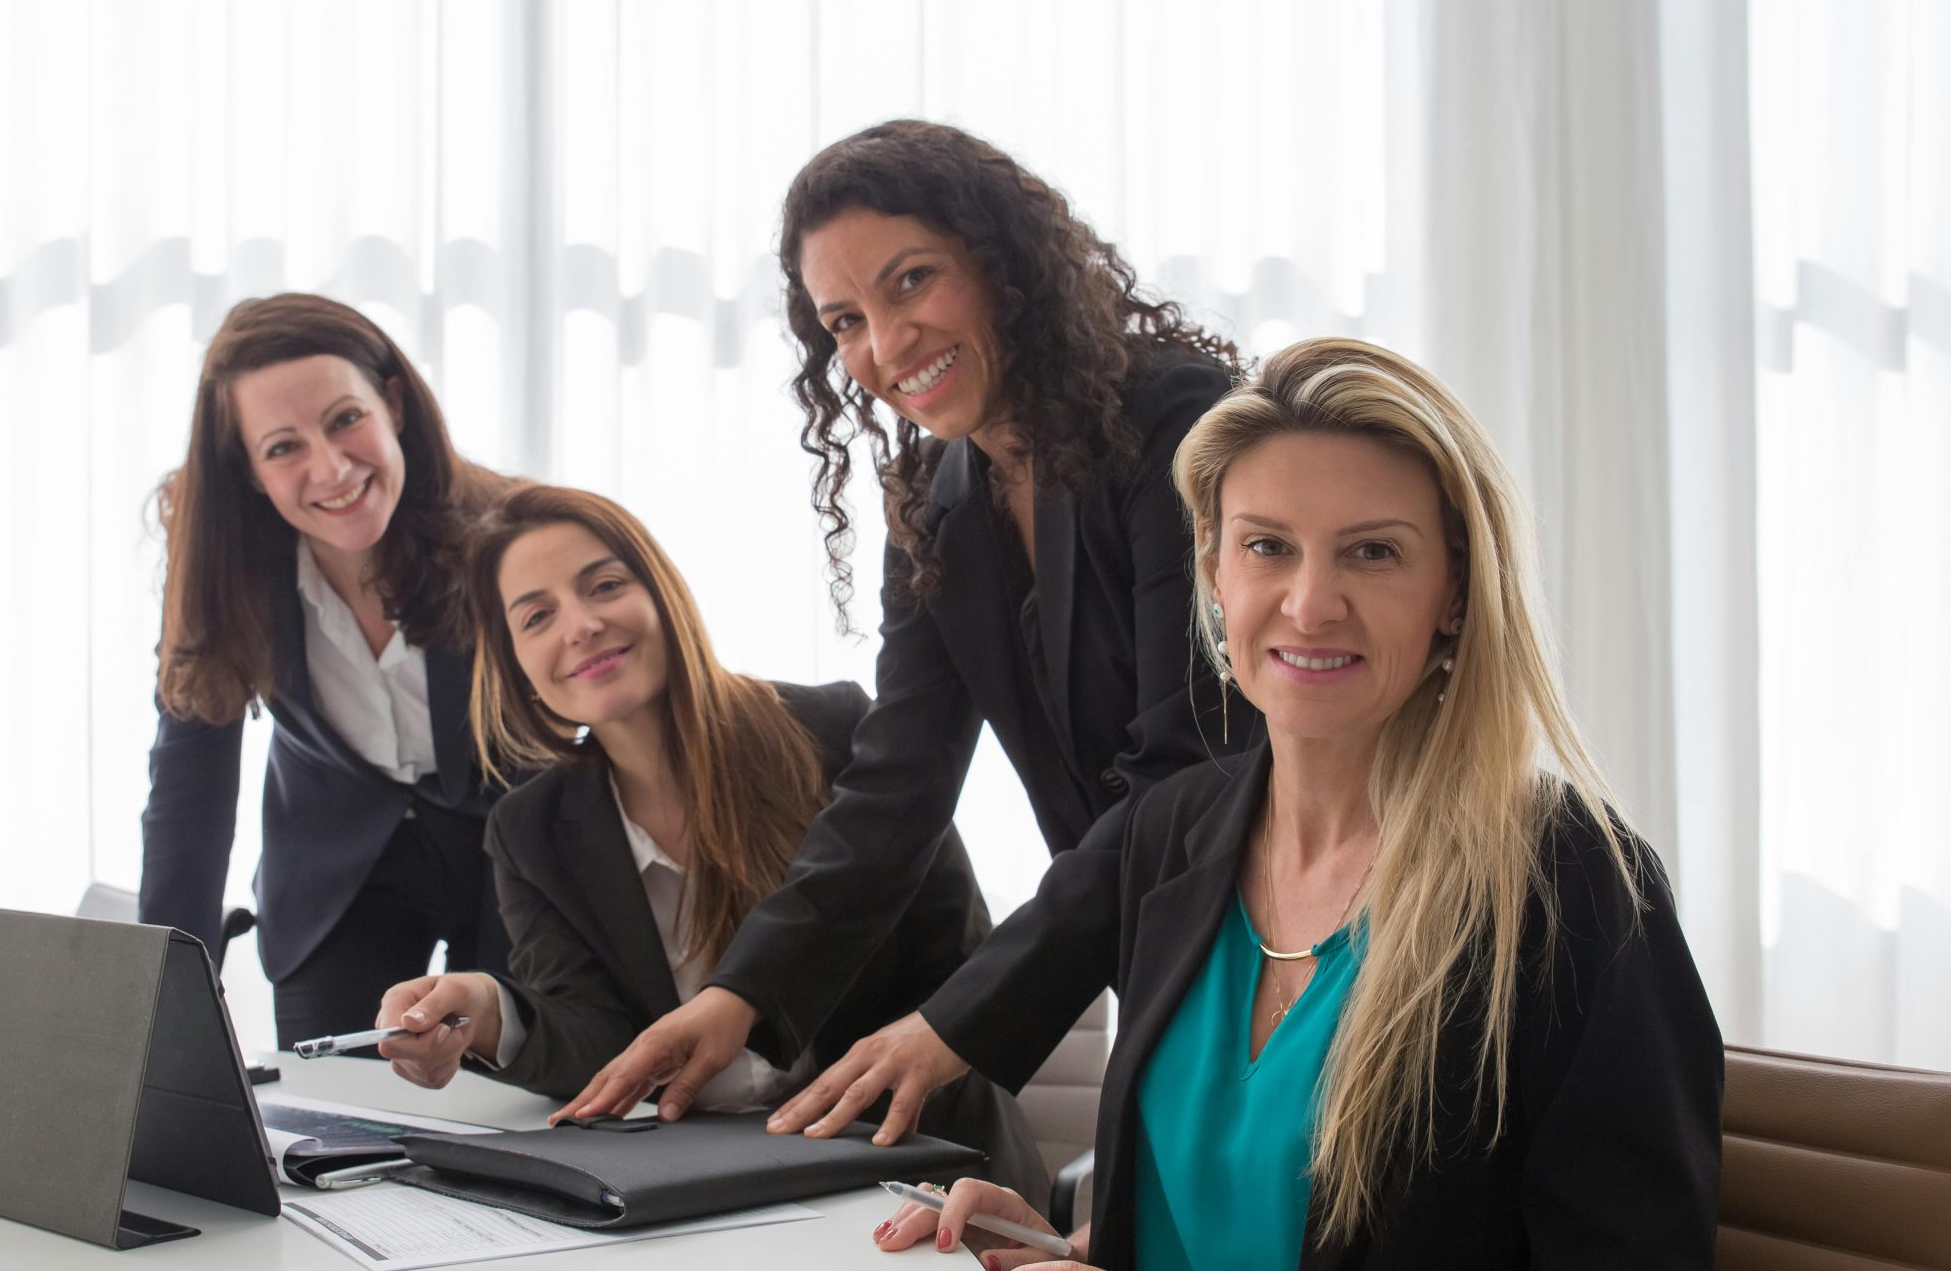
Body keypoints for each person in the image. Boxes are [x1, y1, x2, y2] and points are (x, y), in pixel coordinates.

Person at [877, 339, 1724, 1271]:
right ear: (1213, 575)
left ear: (1453, 593)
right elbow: (1257, 1234)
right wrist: (1069, 1260)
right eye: (1267, 545)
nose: (1309, 602)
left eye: (1371, 552)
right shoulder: (1173, 837)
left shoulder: (1569, 885)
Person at [553, 119, 1252, 1137]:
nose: (883, 347)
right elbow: (897, 786)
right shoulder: (934, 495)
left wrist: (957, 1022)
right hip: (1148, 950)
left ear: (1003, 262)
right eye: (842, 322)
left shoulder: (1173, 420)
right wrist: (736, 1001)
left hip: (1286, 933)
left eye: (911, 282)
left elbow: (1190, 767)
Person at [366, 485, 1047, 1201]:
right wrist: (485, 1007)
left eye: (603, 585)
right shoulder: (529, 829)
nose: (582, 625)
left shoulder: (836, 731)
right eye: (537, 616)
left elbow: (959, 967)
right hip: (704, 1193)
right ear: (515, 665)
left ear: (663, 595)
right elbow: (602, 1046)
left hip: (909, 1163)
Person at [138, 293, 513, 1047]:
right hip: (337, 877)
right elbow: (190, 794)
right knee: (333, 1120)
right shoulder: (226, 568)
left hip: (514, 864)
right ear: (246, 469)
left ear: (394, 403)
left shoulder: (512, 532)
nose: (331, 467)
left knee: (514, 1117)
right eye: (283, 447)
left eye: (345, 419)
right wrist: (160, 1005)